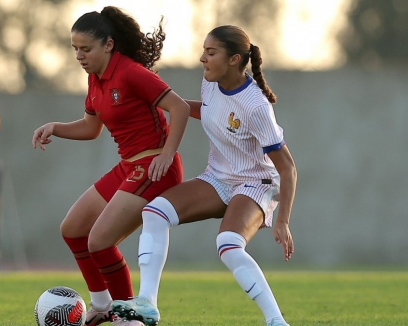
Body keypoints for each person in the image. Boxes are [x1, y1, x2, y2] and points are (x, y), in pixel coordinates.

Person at [111, 25, 297, 326]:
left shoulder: (256, 106)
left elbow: (287, 167)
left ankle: (276, 321)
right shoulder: (210, 83)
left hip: (255, 184)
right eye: (203, 51)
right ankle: (147, 303)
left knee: (228, 244)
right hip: (218, 178)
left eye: (211, 52)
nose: (202, 58)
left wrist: (283, 221)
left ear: (234, 59)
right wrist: (163, 103)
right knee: (155, 212)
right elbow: (211, 110)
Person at [31, 6, 190, 326]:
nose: (79, 55)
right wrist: (55, 127)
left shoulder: (130, 72)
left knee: (99, 241)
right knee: (73, 230)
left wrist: (167, 153)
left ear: (108, 44)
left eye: (86, 48)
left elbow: (180, 107)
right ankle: (103, 305)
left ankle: (129, 317)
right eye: (75, 48)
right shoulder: (95, 79)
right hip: (128, 166)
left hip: (154, 167)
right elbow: (91, 129)